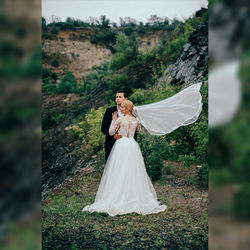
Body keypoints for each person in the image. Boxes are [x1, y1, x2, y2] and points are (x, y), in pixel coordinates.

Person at [82, 100, 167, 216]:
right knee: (133, 171)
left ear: (126, 108)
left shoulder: (120, 120)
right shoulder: (136, 120)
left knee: (119, 170)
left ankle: (118, 195)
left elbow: (111, 132)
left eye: (122, 107)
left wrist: (113, 120)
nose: (120, 108)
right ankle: (133, 196)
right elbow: (139, 130)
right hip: (132, 145)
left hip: (121, 145)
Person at [101, 91, 137, 163]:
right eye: (116, 97)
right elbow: (104, 128)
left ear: (125, 99)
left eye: (120, 97)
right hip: (111, 144)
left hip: (127, 145)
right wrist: (114, 135)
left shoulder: (132, 113)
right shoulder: (110, 110)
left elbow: (135, 130)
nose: (117, 99)